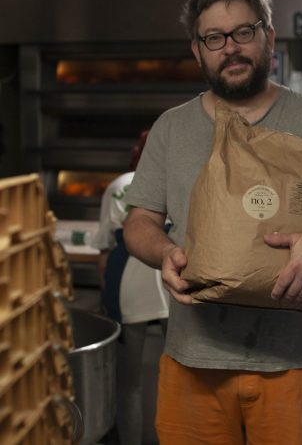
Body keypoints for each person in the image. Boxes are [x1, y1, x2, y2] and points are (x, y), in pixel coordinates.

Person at [122, 0, 302, 445]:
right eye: (214, 37)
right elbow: (139, 221)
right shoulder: (171, 127)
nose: (230, 47)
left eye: (243, 32)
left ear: (268, 37)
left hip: (294, 364)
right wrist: (164, 253)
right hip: (193, 363)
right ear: (197, 50)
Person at [91, 130, 169, 445]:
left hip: (128, 287)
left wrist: (105, 294)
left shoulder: (120, 186)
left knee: (129, 382)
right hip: (174, 285)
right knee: (183, 375)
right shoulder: (181, 181)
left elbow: (105, 251)